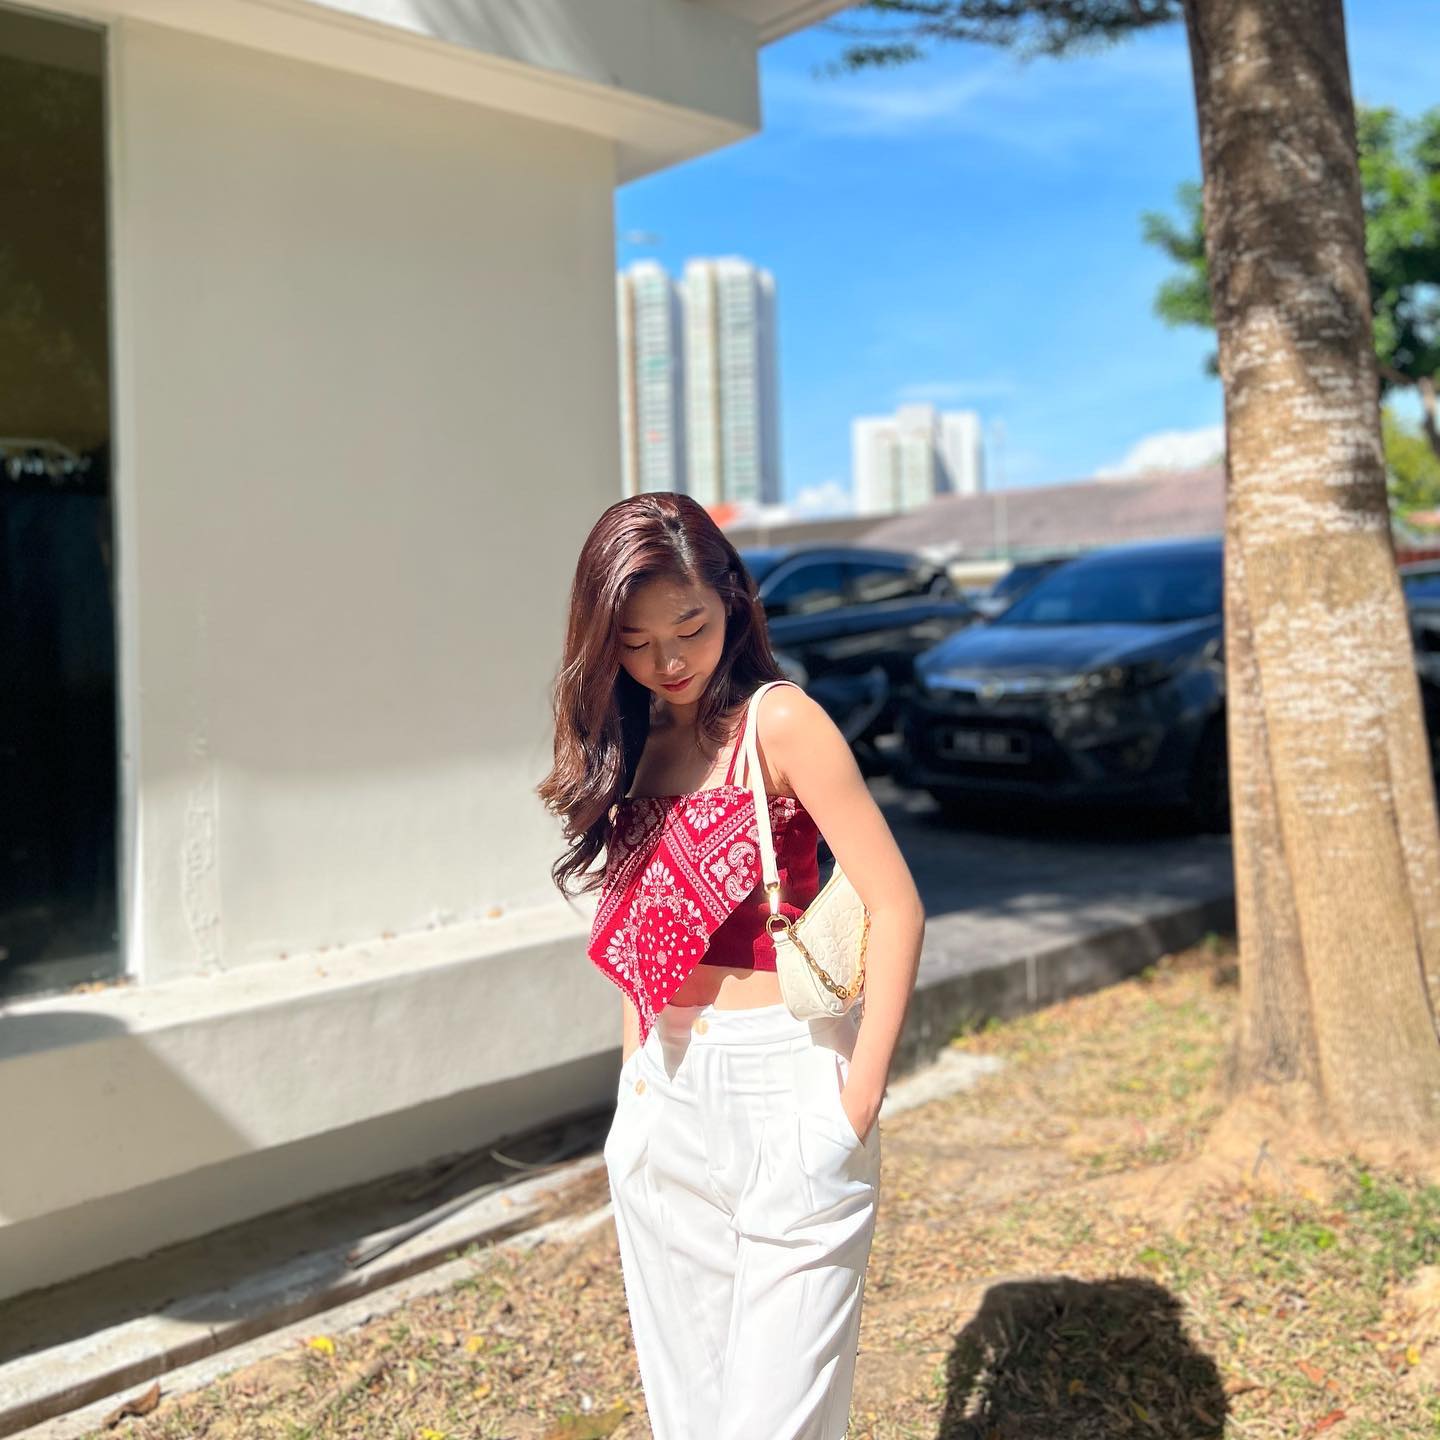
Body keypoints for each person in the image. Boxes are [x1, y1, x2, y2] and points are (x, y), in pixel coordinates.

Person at [537, 492, 924, 1439]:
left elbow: (896, 903)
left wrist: (858, 1102)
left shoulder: (778, 724)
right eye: (633, 640)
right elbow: (639, 934)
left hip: (787, 1077)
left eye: (691, 627)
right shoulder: (628, 742)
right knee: (691, 1415)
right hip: (666, 1090)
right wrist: (633, 1080)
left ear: (734, 605)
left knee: (772, 1423)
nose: (668, 661)